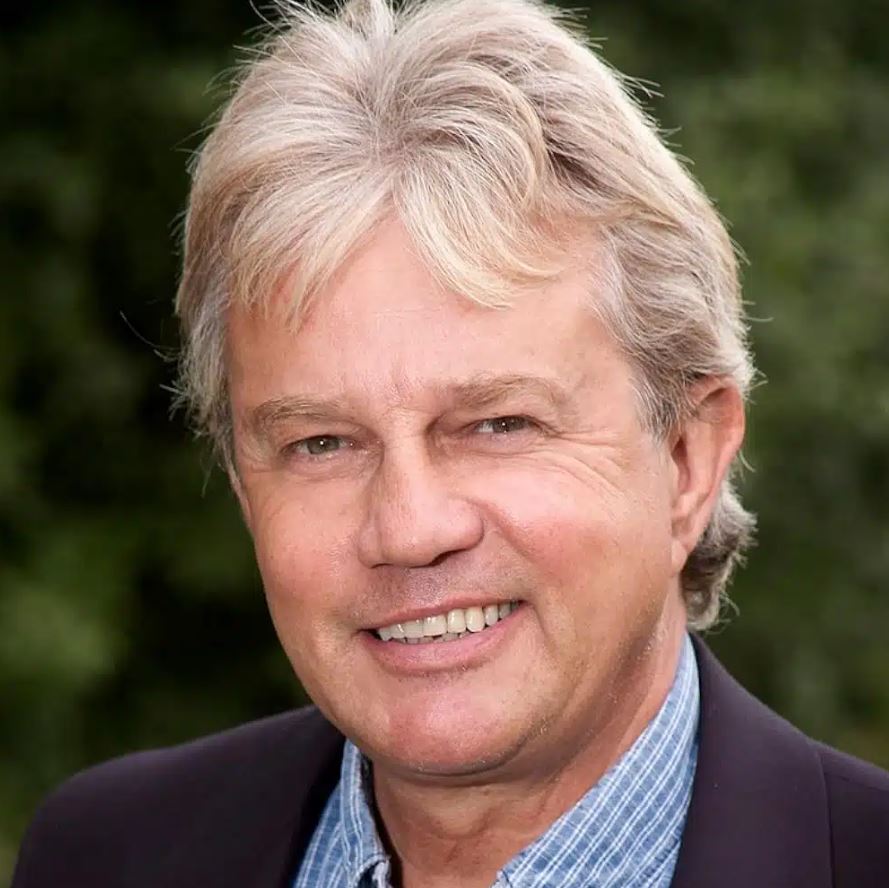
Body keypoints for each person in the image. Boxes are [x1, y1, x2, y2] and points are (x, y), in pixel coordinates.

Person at [12, 0, 889, 885]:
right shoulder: (103, 855)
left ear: (686, 459)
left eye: (497, 425)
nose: (408, 528)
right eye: (322, 443)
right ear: (243, 484)